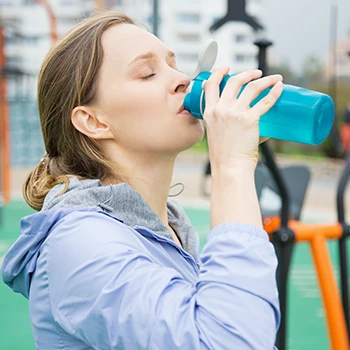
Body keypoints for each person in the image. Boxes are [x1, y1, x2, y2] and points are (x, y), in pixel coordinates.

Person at [1, 10, 283, 350]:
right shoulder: (79, 242)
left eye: (173, 65)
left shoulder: (168, 228)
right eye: (147, 74)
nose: (182, 79)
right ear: (93, 121)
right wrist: (233, 167)